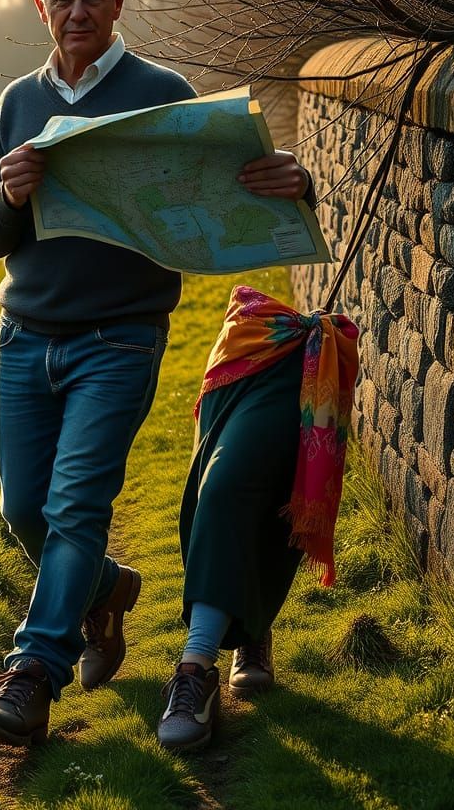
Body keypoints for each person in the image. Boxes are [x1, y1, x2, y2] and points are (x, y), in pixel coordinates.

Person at [0, 0, 315, 748]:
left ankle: (33, 675)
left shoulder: (163, 94)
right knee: (23, 510)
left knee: (75, 505)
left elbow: (228, 197)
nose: (78, 10)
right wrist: (12, 198)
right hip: (23, 338)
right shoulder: (18, 101)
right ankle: (108, 590)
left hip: (119, 339)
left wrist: (287, 180)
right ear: (40, 5)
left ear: (119, 2)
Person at [156, 288, 357, 752]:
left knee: (236, 484)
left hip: (296, 343)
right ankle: (251, 622)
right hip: (243, 332)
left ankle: (196, 667)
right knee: (219, 488)